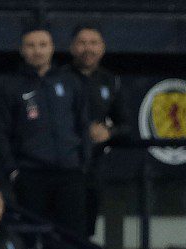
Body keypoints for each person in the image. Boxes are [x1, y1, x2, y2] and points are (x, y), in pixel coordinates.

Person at [0, 25, 91, 236]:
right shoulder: (10, 86)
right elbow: (0, 132)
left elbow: (83, 125)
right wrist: (13, 171)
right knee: (33, 238)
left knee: (73, 239)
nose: (37, 50)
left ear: (52, 48)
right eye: (31, 45)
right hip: (31, 176)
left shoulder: (70, 82)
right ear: (21, 50)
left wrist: (83, 164)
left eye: (43, 45)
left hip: (70, 174)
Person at [69, 24, 126, 238]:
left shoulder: (110, 81)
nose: (88, 48)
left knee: (87, 230)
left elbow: (126, 125)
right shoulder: (59, 78)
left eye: (94, 43)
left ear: (102, 48)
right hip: (64, 165)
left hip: (94, 166)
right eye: (82, 43)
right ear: (72, 47)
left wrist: (109, 133)